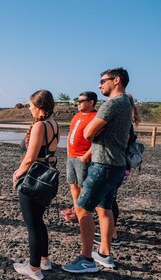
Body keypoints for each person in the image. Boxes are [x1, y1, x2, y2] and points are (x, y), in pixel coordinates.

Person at [63, 67, 132, 273]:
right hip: (117, 164)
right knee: (105, 208)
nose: (100, 84)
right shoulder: (127, 102)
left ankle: (86, 259)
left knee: (82, 209)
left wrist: (92, 131)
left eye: (103, 81)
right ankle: (104, 254)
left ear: (116, 80)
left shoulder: (112, 103)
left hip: (103, 164)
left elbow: (88, 133)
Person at [12, 90, 60, 280]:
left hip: (34, 178)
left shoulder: (40, 125)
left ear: (40, 107)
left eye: (31, 105)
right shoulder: (54, 124)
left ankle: (33, 269)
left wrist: (17, 173)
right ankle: (44, 260)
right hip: (48, 177)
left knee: (32, 224)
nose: (29, 108)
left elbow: (30, 157)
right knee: (39, 221)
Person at [94, 93, 141, 246]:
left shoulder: (124, 124)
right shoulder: (128, 122)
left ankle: (112, 235)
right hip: (122, 166)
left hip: (117, 165)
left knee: (109, 200)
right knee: (110, 199)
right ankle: (110, 233)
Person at [60, 91, 98, 223]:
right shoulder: (77, 115)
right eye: (78, 100)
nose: (78, 103)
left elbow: (98, 140)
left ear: (91, 102)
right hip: (71, 156)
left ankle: (82, 211)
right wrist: (68, 151)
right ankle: (76, 208)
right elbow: (71, 132)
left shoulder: (95, 117)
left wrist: (86, 156)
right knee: (73, 183)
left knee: (83, 186)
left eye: (81, 101)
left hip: (83, 157)